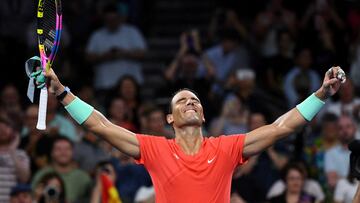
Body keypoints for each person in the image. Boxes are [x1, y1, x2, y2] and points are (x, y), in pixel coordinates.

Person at [35, 65, 344, 202]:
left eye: (195, 99)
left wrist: (321, 94)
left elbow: (282, 127)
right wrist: (62, 93)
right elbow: (100, 126)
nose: (190, 102)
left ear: (203, 114)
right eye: (181, 100)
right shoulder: (154, 149)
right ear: (170, 118)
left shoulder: (226, 148)